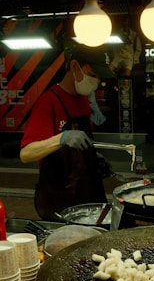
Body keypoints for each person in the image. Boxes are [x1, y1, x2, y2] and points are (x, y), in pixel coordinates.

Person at [19, 43, 114, 221]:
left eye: (98, 77)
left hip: (88, 196)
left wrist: (95, 156)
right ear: (74, 66)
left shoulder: (83, 100)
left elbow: (80, 146)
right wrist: (61, 138)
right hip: (59, 200)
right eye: (92, 75)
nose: (95, 81)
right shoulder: (48, 101)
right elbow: (26, 154)